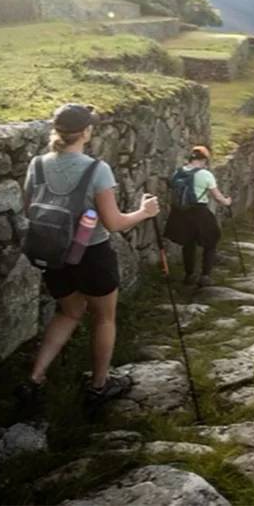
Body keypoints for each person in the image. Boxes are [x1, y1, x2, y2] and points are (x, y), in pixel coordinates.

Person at [17, 103, 160, 404]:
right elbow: (114, 222)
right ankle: (99, 385)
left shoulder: (38, 164)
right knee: (104, 318)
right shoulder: (97, 170)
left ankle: (35, 377)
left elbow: (30, 209)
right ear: (86, 132)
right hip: (91, 253)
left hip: (52, 253)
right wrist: (144, 213)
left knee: (69, 311)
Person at [164, 145, 231, 288]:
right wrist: (227, 202)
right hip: (199, 212)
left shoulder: (178, 172)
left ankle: (189, 275)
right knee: (211, 241)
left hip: (180, 213)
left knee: (188, 243)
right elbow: (218, 197)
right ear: (205, 159)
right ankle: (205, 276)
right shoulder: (205, 174)